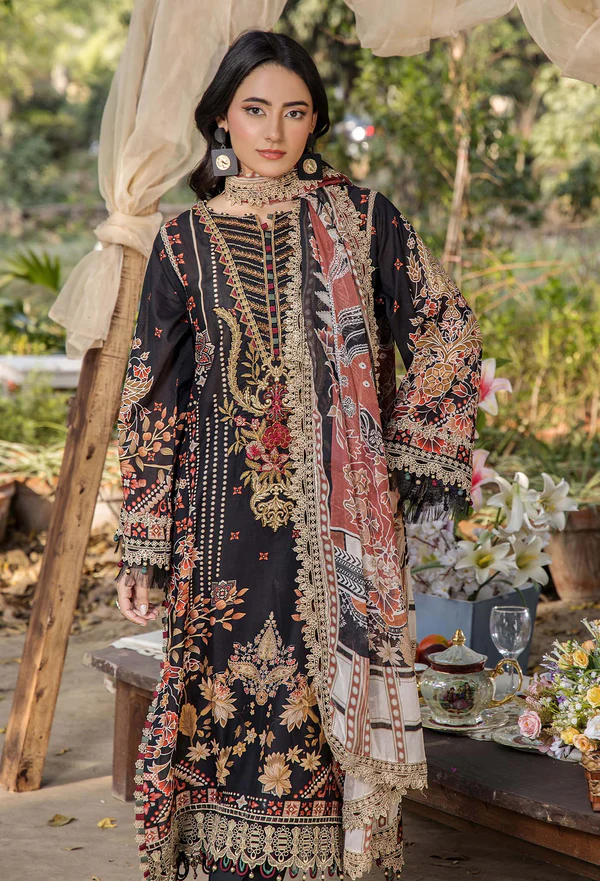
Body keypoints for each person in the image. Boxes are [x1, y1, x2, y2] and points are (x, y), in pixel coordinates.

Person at [113, 27, 482, 881]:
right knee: (219, 700)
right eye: (255, 110)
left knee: (324, 708)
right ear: (222, 119)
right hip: (218, 526)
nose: (274, 131)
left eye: (294, 111)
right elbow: (152, 398)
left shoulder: (363, 220)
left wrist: (402, 456)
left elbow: (446, 331)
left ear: (314, 121)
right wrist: (141, 544)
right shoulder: (183, 241)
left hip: (342, 527)